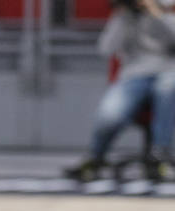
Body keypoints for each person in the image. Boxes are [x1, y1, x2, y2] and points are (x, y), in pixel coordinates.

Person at [65, 0, 175, 182]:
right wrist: (121, 17)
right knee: (110, 114)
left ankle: (160, 155)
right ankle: (96, 158)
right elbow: (106, 48)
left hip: (169, 71)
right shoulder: (124, 16)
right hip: (134, 75)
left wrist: (157, 14)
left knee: (167, 86)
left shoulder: (166, 8)